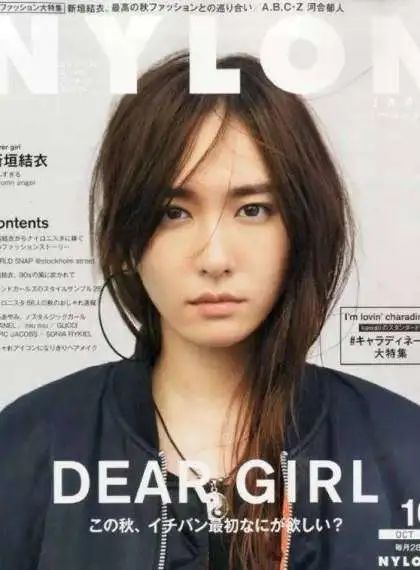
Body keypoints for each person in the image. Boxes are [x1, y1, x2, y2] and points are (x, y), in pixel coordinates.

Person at [1, 51, 420, 570]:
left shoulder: (402, 450)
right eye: (173, 213)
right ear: (126, 239)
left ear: (303, 227)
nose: (215, 258)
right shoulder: (28, 447)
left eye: (253, 209)